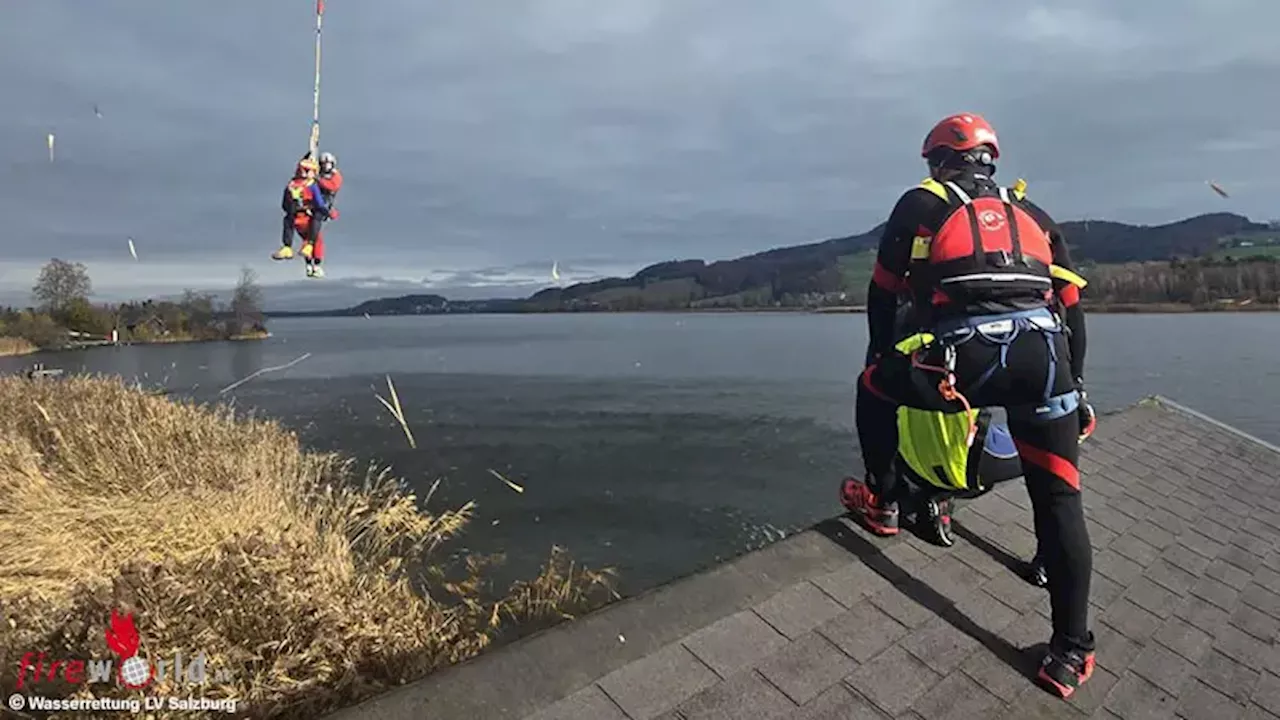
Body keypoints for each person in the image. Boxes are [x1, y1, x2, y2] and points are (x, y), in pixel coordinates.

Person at [840, 113, 1097, 699]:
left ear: (936, 161)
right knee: (1058, 494)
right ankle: (1069, 653)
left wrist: (883, 354)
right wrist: (1077, 387)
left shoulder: (920, 204)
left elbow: (882, 291)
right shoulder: (1032, 214)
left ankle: (883, 502)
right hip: (1046, 357)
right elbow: (1072, 306)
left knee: (872, 386)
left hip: (966, 361)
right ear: (991, 160)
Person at [273, 157, 331, 278]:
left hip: (295, 218)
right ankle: (312, 255)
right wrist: (327, 212)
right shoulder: (311, 185)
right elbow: (319, 203)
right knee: (316, 236)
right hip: (308, 217)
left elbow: (284, 204)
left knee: (289, 222)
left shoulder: (291, 185)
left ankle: (288, 246)